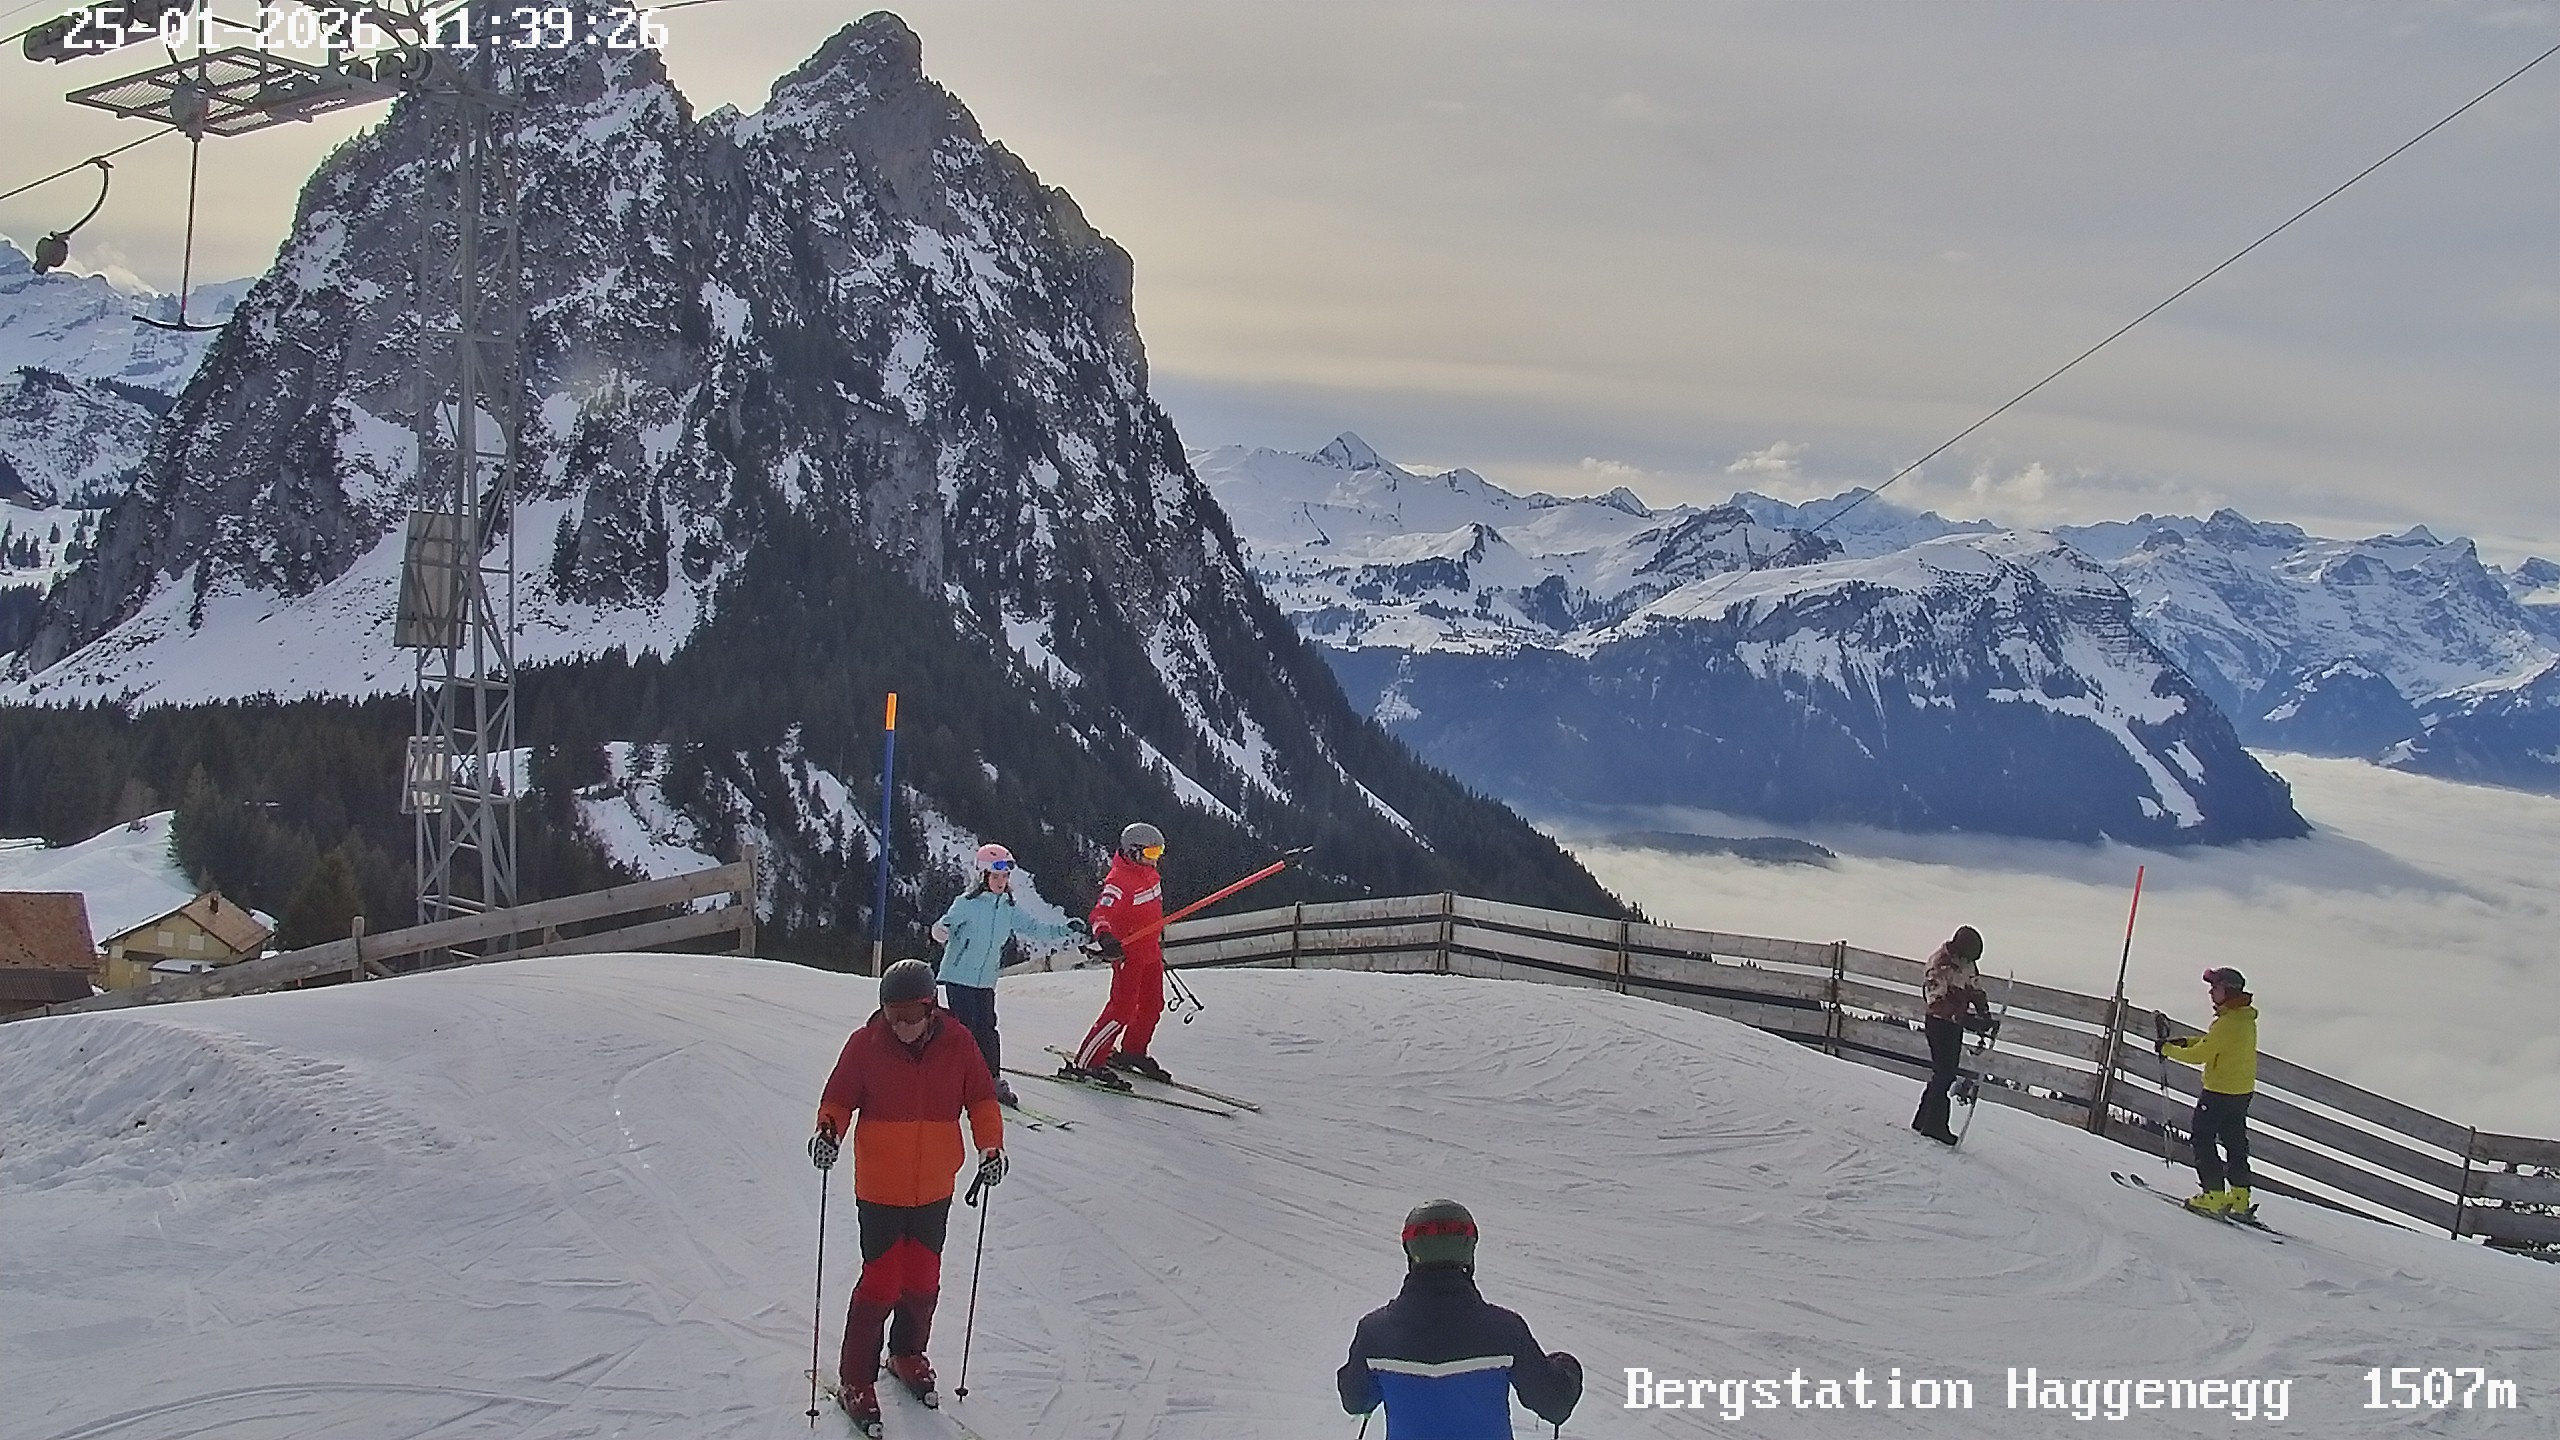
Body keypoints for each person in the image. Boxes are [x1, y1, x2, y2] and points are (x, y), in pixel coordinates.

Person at [809, 958, 1007, 1434]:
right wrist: (828, 1132)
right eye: (892, 1016)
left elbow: (981, 1099)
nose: (900, 1026)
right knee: (881, 1282)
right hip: (880, 1187)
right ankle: (857, 1378)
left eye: (909, 1016)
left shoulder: (959, 1043)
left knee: (922, 1277)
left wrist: (991, 1147)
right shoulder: (865, 1044)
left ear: (930, 1007)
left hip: (935, 1186)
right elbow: (838, 1098)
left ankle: (907, 1352)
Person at [1338, 1199, 1583, 1437]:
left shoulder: (1375, 1333)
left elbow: (1356, 1401)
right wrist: (1566, 1366)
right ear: (1468, 1251)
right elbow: (1555, 1405)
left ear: (1410, 1252)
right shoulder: (1505, 1330)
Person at [931, 842, 1086, 1109]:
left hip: (985, 980)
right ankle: (961, 1079)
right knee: (967, 1028)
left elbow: (1035, 927)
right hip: (959, 977)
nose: (1001, 881)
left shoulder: (1007, 907)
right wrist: (941, 932)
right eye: (996, 876)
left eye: (1004, 876)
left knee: (988, 1028)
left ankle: (992, 1079)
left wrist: (1065, 930)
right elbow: (943, 925)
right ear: (983, 876)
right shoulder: (967, 904)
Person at [1061, 821, 1172, 1089]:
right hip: (1129, 955)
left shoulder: (1149, 874)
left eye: (1158, 853)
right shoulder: (1118, 882)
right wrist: (1105, 936)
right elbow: (1101, 914)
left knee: (1152, 1005)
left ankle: (1133, 1051)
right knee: (1121, 1010)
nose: (1155, 859)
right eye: (1151, 853)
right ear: (1134, 852)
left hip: (1150, 951)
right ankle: (1088, 1062)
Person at [2159, 966, 2259, 1215]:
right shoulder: (2242, 1019)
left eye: (2216, 987)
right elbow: (2213, 1044)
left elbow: (2201, 1054)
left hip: (2219, 1091)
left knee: (2202, 1137)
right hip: (2240, 1092)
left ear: (2228, 990)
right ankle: (2240, 1196)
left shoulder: (2228, 1023)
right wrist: (2186, 1042)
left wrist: (2168, 1050)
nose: (2211, 992)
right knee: (2235, 1141)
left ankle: (2213, 1195)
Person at [1911, 925, 1990, 1145]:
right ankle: (1935, 1125)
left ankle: (1923, 1119)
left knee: (1944, 1072)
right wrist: (1966, 1019)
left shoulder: (1966, 962)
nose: (1969, 962)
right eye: (1967, 957)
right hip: (1938, 1023)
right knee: (1944, 1073)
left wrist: (1983, 1012)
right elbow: (1936, 1002)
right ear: (1959, 948)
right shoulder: (1939, 964)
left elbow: (1974, 985)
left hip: (1954, 1024)